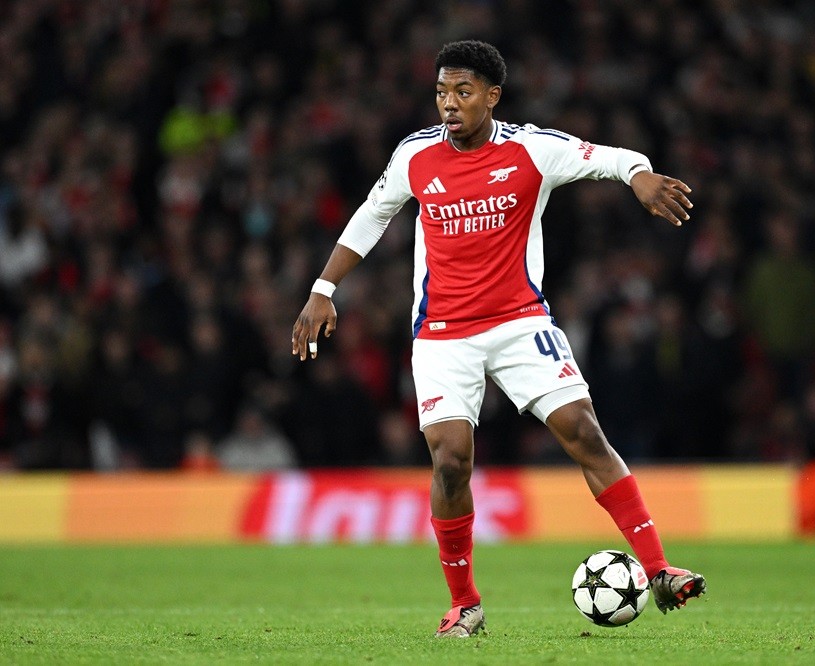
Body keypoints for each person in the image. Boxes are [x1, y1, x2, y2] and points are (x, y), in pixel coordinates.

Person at [291, 40, 705, 638]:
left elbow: (616, 157)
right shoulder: (415, 156)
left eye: (462, 92)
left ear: (492, 96)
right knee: (451, 461)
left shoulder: (533, 149)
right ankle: (466, 603)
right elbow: (372, 213)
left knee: (586, 432)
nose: (449, 104)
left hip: (519, 323)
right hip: (442, 335)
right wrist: (323, 289)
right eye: (441, 92)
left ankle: (660, 568)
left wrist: (639, 179)